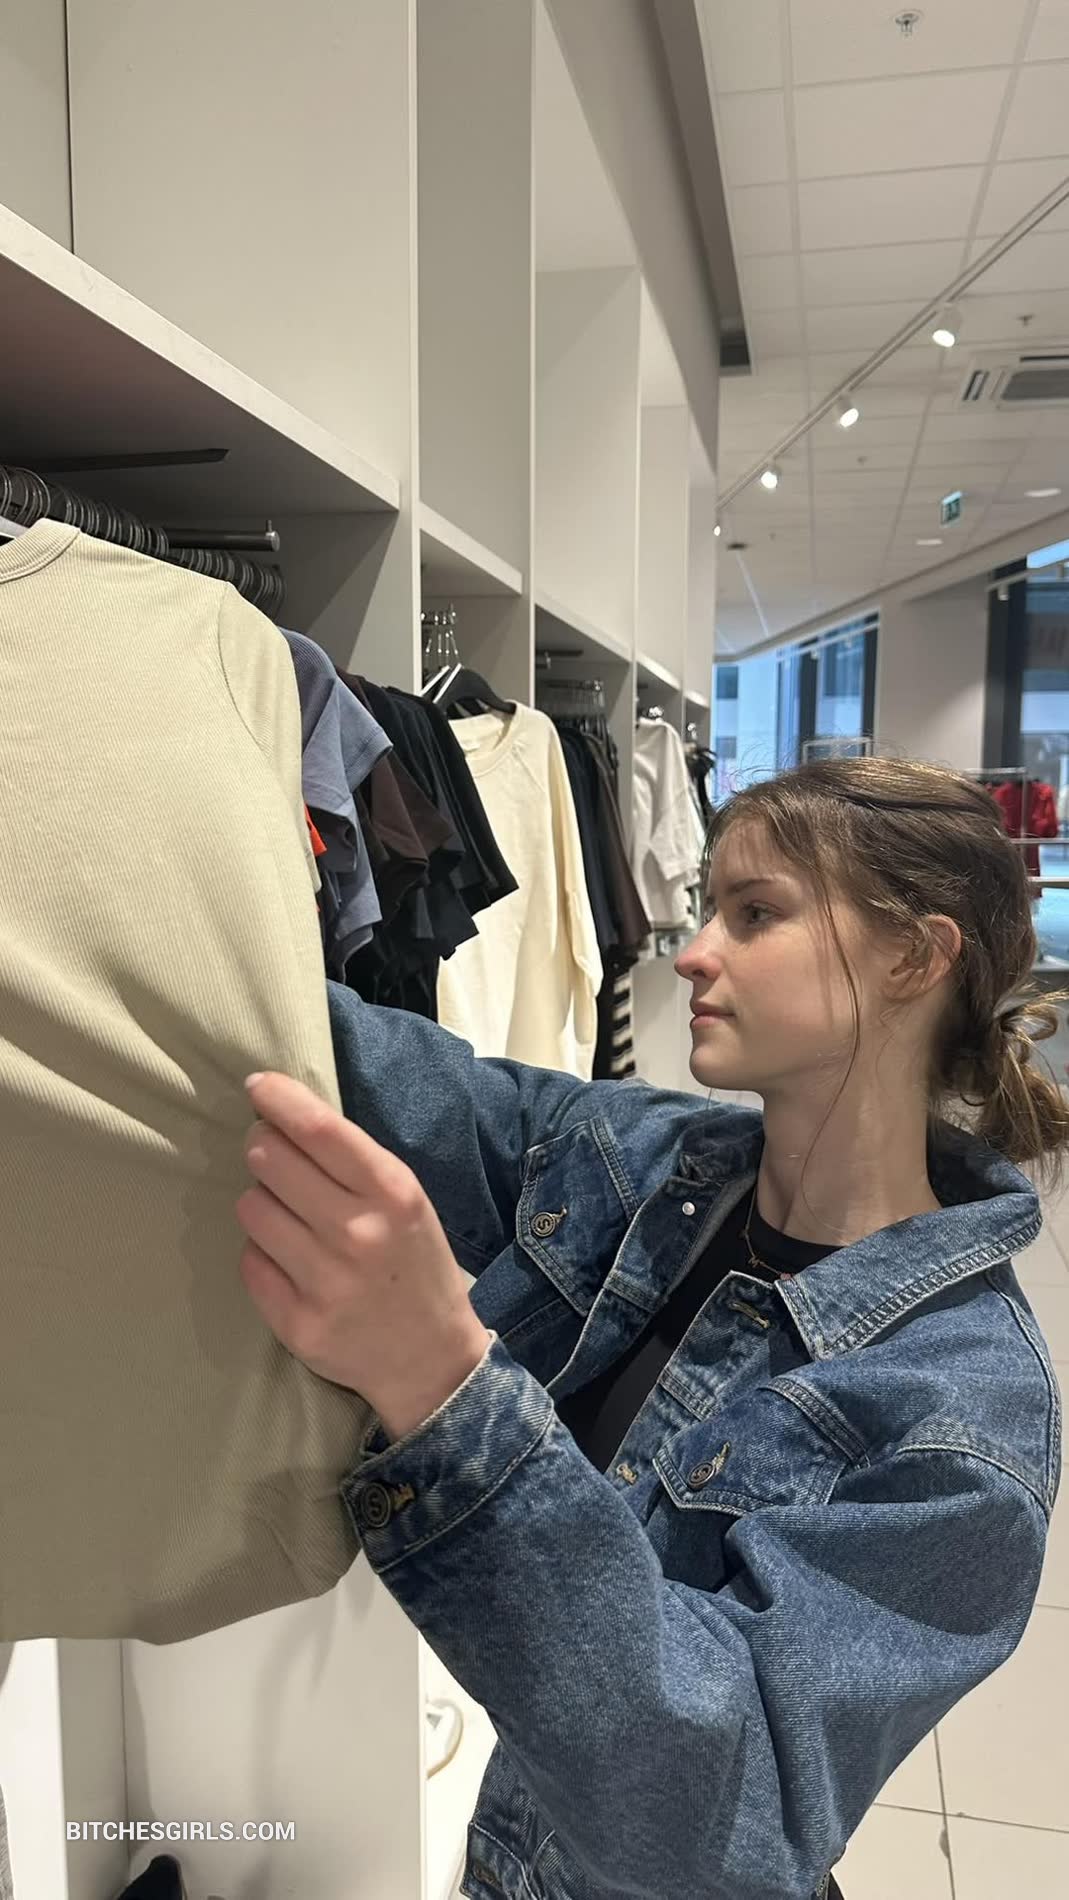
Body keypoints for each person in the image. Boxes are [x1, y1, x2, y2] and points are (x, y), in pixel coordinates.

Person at [235, 757, 1065, 1900]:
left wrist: (441, 1380)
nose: (691, 952)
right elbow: (382, 1074)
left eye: (755, 913)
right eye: (709, 907)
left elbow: (715, 1818)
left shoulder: (960, 1414)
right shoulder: (648, 1160)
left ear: (912, 958)